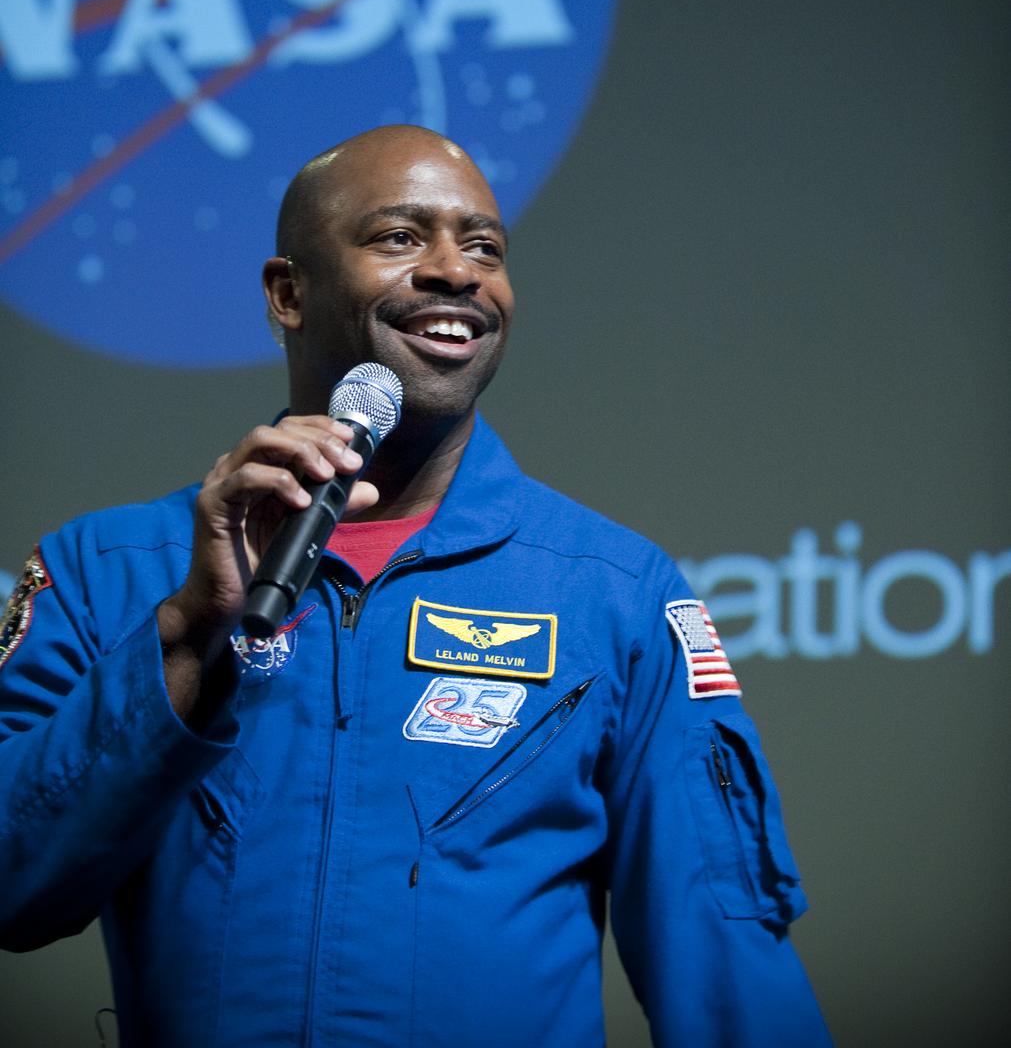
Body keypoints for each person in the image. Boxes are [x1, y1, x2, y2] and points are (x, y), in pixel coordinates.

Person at [0, 126, 831, 1046]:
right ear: (288, 293)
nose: (457, 272)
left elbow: (728, 973)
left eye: (484, 248)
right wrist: (191, 634)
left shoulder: (615, 592)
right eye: (400, 238)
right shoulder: (103, 571)